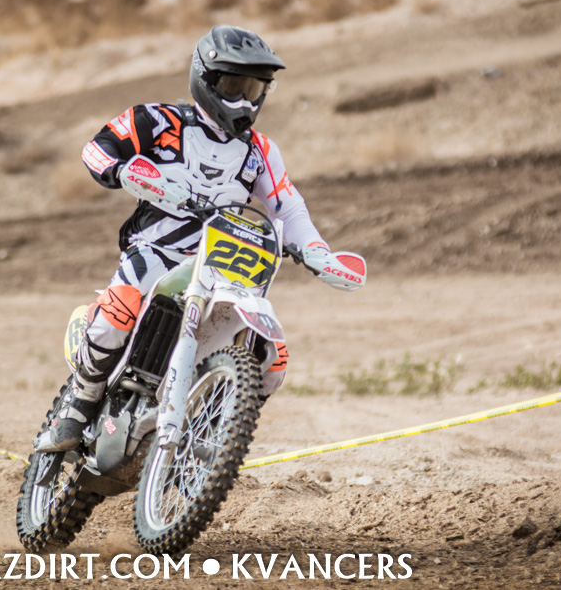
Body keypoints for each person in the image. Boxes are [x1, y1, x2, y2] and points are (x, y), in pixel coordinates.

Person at [35, 24, 362, 452]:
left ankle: (211, 434)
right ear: (205, 79)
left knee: (273, 357)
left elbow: (288, 206)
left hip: (221, 265)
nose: (244, 100)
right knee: (119, 309)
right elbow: (96, 149)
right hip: (155, 251)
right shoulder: (157, 120)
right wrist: (124, 170)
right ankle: (78, 407)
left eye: (254, 89)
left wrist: (318, 252)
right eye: (234, 86)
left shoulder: (260, 151)